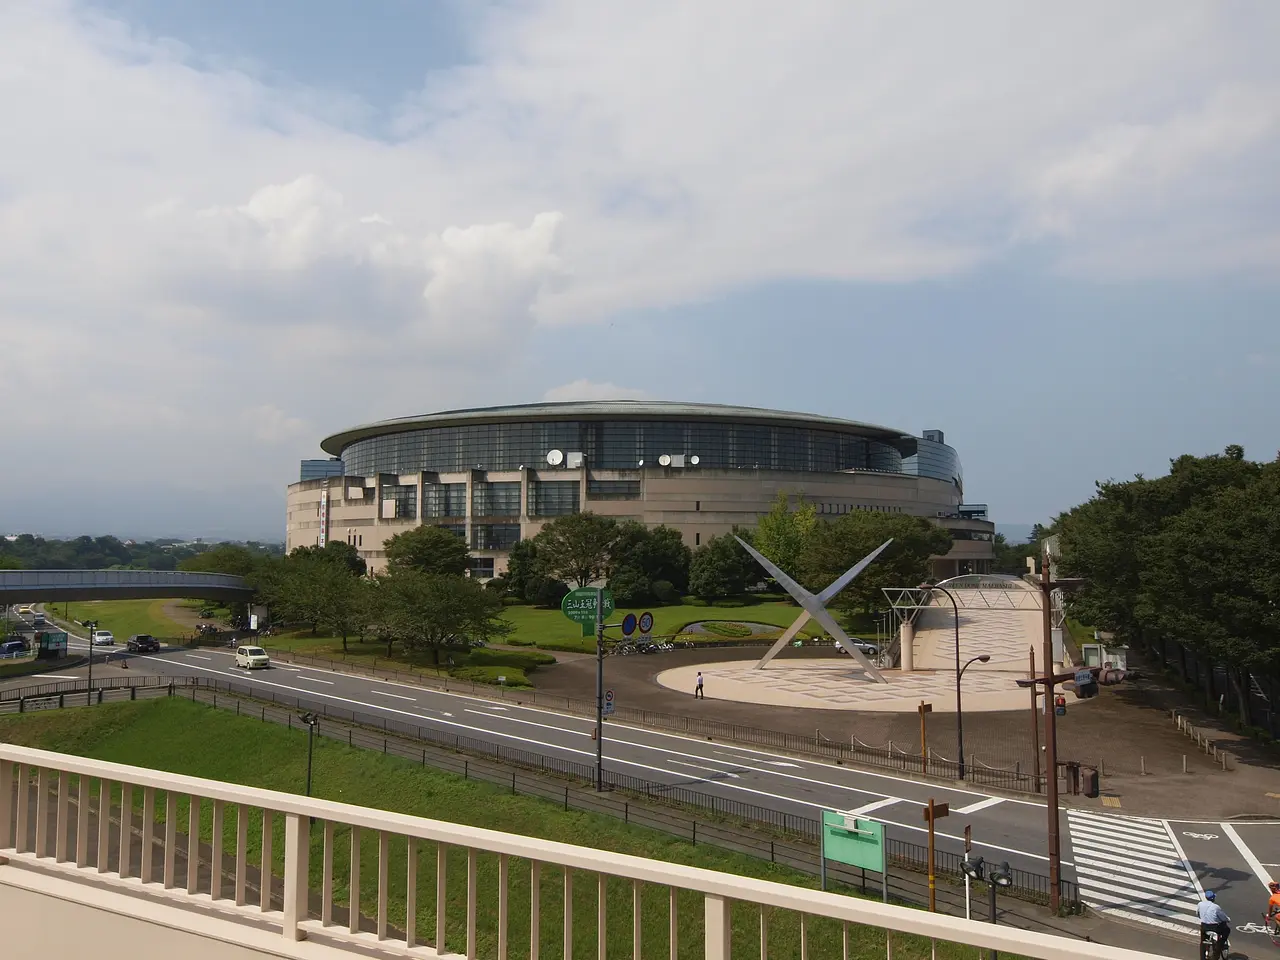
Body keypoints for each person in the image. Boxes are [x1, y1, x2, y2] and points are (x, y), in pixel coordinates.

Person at [1197, 890, 1230, 954]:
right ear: (1213, 898)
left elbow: (1197, 913)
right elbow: (1222, 917)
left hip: (1204, 926)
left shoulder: (1200, 904)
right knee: (1227, 930)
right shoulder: (1216, 907)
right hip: (1214, 927)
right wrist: (1228, 919)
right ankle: (1220, 945)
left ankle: (1203, 957)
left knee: (1202, 941)